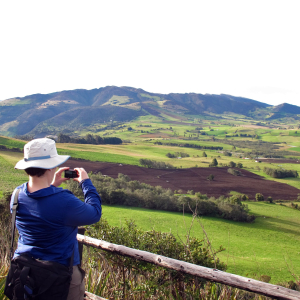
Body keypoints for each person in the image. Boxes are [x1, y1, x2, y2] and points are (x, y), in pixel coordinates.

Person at [10, 138, 102, 300]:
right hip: (59, 273)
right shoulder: (63, 200)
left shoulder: (17, 194)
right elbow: (94, 213)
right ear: (51, 167)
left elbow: (41, 207)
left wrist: (53, 184)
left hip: (25, 271)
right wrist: (86, 183)